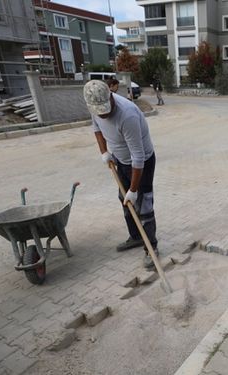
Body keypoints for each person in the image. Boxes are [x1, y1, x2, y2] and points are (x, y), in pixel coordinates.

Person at [83, 80, 159, 270]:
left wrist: (134, 190)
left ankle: (151, 248)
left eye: (106, 109)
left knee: (143, 205)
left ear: (111, 96)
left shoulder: (127, 115)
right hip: (120, 161)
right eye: (99, 111)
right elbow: (97, 129)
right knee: (123, 200)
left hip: (142, 164)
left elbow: (138, 158)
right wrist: (104, 152)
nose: (103, 114)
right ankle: (135, 237)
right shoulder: (96, 106)